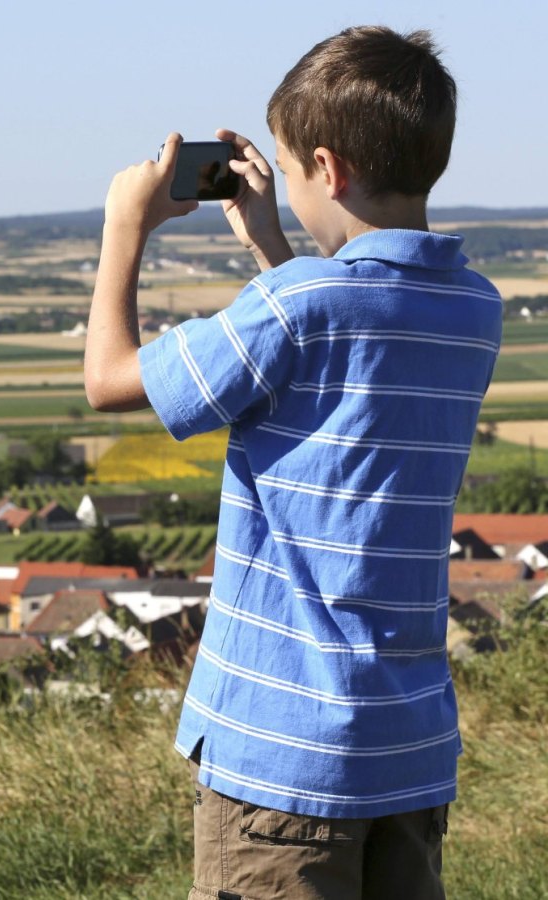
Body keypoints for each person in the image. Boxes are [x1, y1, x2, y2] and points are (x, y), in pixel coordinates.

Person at [83, 26, 501, 900]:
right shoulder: (473, 307)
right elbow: (350, 360)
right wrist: (274, 249)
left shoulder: (300, 303)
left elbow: (110, 382)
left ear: (328, 167)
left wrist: (125, 227)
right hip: (407, 750)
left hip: (283, 757)